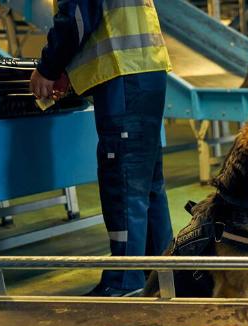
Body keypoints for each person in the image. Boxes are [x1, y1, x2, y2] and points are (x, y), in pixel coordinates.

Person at [30, 0, 173, 296]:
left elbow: (77, 18)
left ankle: (124, 282)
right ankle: (162, 276)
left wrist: (48, 68)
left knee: (123, 180)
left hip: (123, 77)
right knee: (146, 183)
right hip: (146, 70)